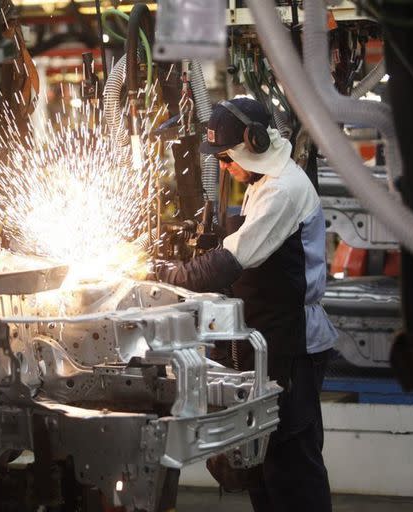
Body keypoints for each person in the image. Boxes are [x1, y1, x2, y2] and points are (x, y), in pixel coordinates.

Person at [155, 97, 338, 512]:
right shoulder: (262, 182)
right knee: (260, 462)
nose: (222, 167)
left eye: (224, 157)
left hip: (290, 345)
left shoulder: (284, 190)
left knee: (291, 463)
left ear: (253, 142)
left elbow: (231, 260)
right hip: (265, 339)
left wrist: (170, 276)